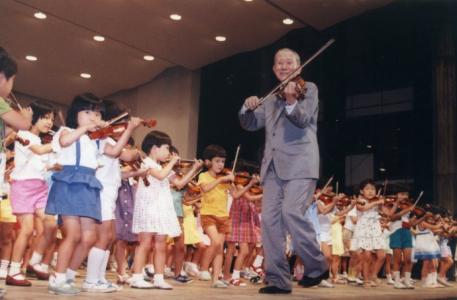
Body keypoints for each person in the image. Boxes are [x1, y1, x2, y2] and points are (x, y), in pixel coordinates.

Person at [239, 48, 327, 294]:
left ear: (299, 67)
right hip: (273, 168)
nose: (284, 66)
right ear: (274, 68)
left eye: (289, 62)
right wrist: (247, 107)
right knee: (269, 222)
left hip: (301, 164)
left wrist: (291, 101)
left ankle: (317, 266)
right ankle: (278, 279)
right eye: (279, 63)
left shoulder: (308, 88)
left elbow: (303, 118)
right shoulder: (271, 97)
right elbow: (249, 124)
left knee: (291, 212)